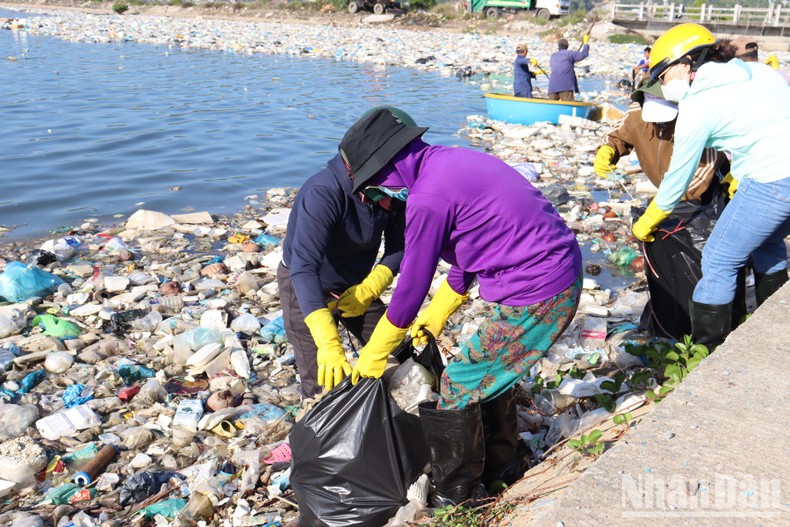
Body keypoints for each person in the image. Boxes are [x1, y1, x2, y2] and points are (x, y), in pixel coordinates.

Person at [319, 108, 583, 505]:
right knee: (488, 370)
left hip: (541, 287)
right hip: (546, 273)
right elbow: (473, 248)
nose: (380, 198)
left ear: (388, 169)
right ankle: (501, 465)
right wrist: (440, 311)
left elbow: (411, 283)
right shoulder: (450, 162)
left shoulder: (427, 197)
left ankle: (456, 496)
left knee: (459, 381)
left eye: (375, 188)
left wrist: (376, 353)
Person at [632, 23, 790, 347]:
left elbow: (677, 180)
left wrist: (648, 221)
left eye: (663, 76)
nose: (663, 85)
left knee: (717, 259)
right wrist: (737, 174)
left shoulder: (698, 103)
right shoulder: (761, 73)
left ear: (686, 64)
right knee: (768, 243)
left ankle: (708, 352)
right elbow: (763, 129)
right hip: (781, 174)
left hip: (773, 181)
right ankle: (770, 330)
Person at [276, 107, 410, 398]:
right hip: (307, 287)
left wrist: (370, 287)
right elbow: (304, 268)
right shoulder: (323, 192)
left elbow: (399, 247)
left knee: (400, 352)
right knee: (324, 380)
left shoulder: (393, 188)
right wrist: (328, 342)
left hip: (356, 286)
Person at [594, 79, 737, 339]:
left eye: (666, 119)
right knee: (665, 265)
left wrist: (662, 207)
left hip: (699, 201)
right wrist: (608, 150)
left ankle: (708, 330)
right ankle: (669, 322)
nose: (660, 124)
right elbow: (618, 134)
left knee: (706, 264)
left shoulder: (694, 118)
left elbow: (700, 176)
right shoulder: (638, 112)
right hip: (668, 196)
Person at [548, 35, 590, 101]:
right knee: (568, 105)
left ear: (558, 47)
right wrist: (586, 43)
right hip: (566, 86)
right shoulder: (570, 54)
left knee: (551, 106)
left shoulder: (553, 56)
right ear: (567, 46)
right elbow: (584, 54)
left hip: (553, 87)